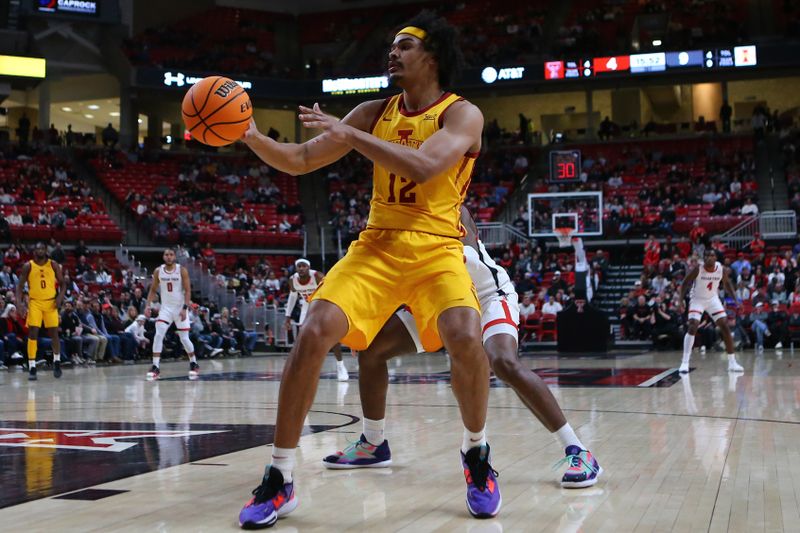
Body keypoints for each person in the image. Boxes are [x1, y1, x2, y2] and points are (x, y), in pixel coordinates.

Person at [237, 14, 501, 527]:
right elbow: (299, 160)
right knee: (313, 331)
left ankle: (477, 454)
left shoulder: (463, 115)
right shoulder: (370, 112)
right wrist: (247, 134)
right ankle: (279, 476)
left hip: (437, 246)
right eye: (391, 46)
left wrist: (349, 135)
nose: (392, 52)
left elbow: (425, 166)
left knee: (466, 335)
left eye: (404, 46)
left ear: (433, 57)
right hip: (377, 246)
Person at [322, 207, 602, 488]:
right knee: (372, 351)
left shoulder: (452, 207)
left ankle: (577, 449)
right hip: (438, 303)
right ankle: (373, 443)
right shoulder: (392, 209)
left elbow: (451, 257)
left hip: (486, 297)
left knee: (503, 362)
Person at [678, 249, 744, 373]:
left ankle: (732, 363)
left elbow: (727, 284)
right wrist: (680, 300)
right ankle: (685, 362)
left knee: (724, 326)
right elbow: (685, 283)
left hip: (712, 298)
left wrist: (736, 301)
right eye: (707, 255)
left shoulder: (720, 269)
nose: (709, 257)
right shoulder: (698, 268)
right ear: (704, 258)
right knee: (693, 326)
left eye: (711, 255)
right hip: (697, 298)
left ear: (716, 258)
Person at [284, 259, 348, 381]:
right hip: (307, 305)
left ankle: (340, 366)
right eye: (299, 266)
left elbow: (331, 289)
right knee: (303, 336)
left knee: (331, 335)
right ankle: (304, 367)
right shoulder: (293, 280)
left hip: (324, 303)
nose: (301, 268)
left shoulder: (317, 276)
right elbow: (292, 297)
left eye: (303, 266)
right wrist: (287, 316)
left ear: (308, 267)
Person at [144, 248, 198, 380]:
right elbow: (152, 290)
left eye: (171, 255)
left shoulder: (182, 270)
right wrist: (147, 305)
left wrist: (185, 308)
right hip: (166, 309)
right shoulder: (158, 271)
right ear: (163, 257)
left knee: (184, 338)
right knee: (158, 334)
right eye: (166, 255)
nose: (169, 257)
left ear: (174, 257)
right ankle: (155, 366)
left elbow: (188, 291)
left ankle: (194, 363)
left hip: (180, 308)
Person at [16, 242, 65, 380]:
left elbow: (63, 283)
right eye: (38, 248)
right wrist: (19, 304)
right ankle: (32, 366)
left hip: (50, 302)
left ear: (46, 250)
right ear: (34, 251)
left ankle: (56, 362)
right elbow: (19, 287)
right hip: (35, 302)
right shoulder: (28, 266)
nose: (40, 250)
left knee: (54, 332)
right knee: (33, 333)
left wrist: (60, 297)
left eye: (43, 248)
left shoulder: (53, 264)